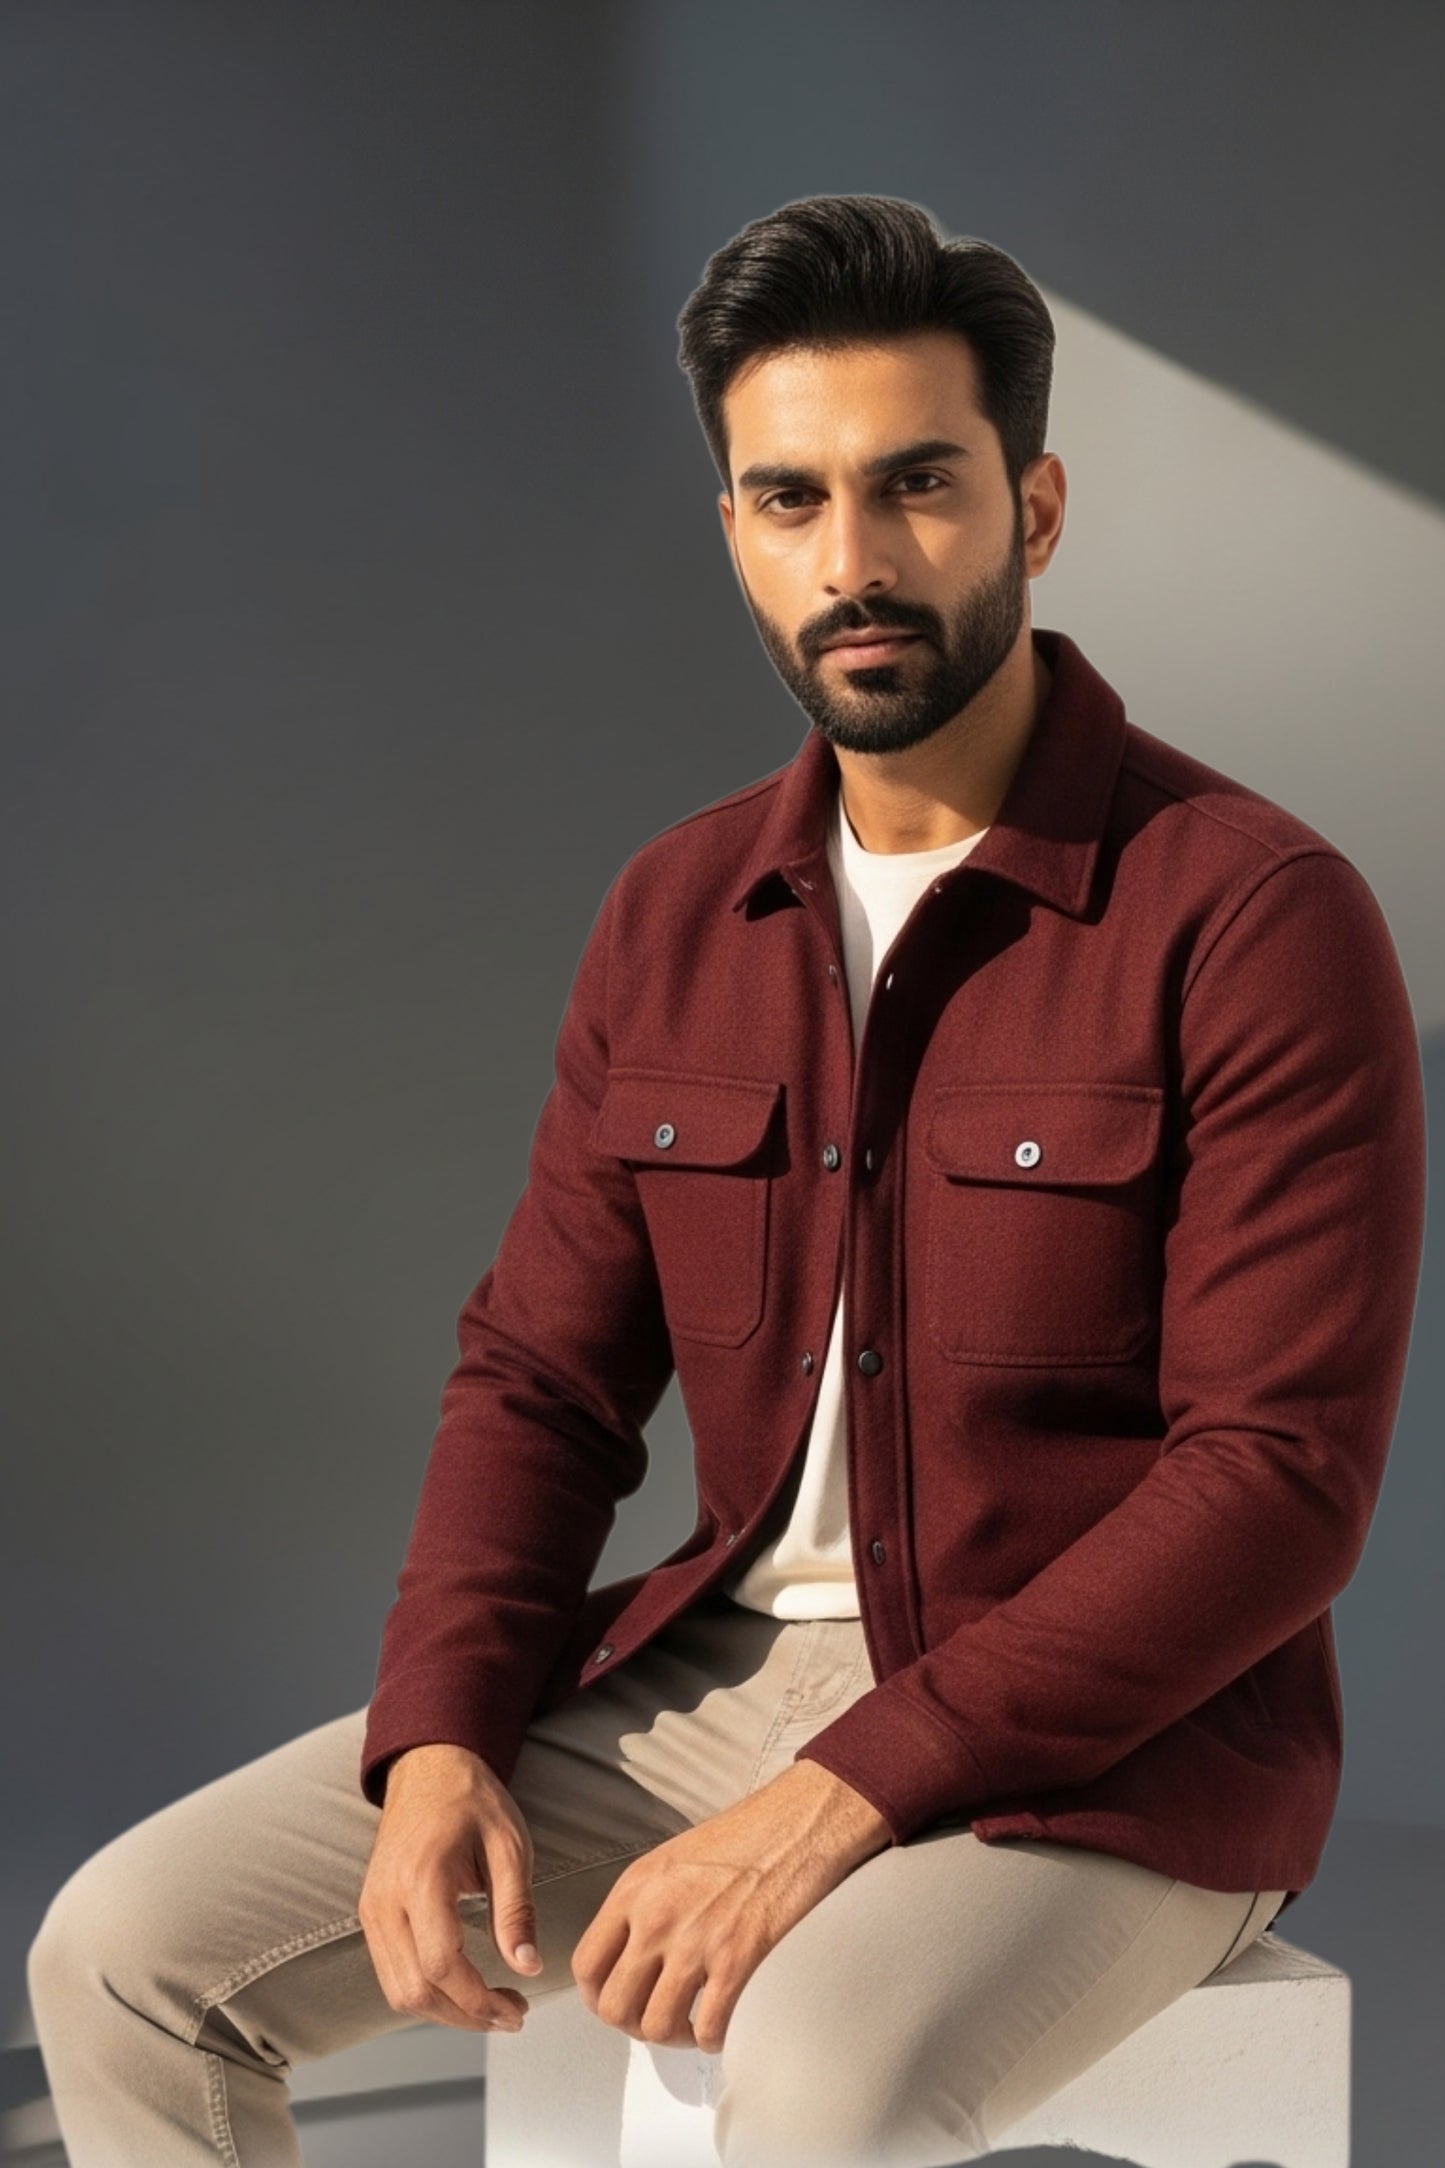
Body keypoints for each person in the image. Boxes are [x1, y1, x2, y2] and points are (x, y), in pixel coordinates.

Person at [27, 193, 1426, 2168]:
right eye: (788, 499)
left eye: (916, 486)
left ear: (1033, 511)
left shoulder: (1256, 915)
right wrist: (435, 1738)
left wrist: (844, 1792)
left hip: (1118, 1757)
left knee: (813, 2083)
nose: (853, 561)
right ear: (735, 538)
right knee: (120, 1958)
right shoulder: (679, 913)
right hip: (715, 1682)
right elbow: (541, 1377)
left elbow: (1276, 1482)